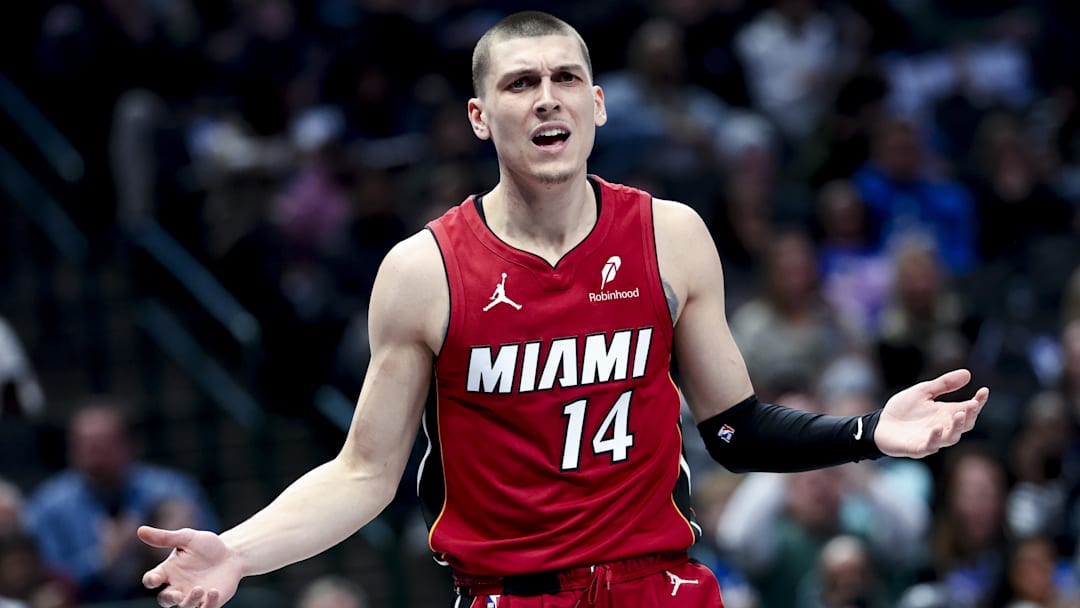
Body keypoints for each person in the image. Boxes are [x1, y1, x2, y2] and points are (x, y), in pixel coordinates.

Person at [138, 11, 990, 608]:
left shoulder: (670, 235)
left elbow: (734, 431)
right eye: (520, 84)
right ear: (480, 116)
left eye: (565, 78)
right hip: (514, 594)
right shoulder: (424, 271)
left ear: (598, 103)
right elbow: (365, 473)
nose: (546, 97)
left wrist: (871, 432)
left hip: (663, 587)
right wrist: (239, 551)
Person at [24, 397, 219, 603]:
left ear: (132, 445)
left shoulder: (175, 490)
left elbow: (216, 553)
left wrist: (173, 550)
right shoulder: (48, 504)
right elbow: (40, 580)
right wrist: (100, 560)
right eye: (86, 446)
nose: (95, 457)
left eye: (103, 445)